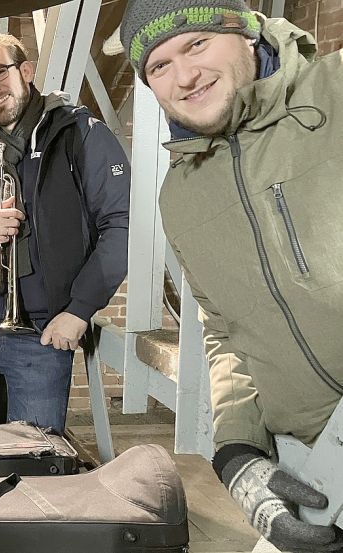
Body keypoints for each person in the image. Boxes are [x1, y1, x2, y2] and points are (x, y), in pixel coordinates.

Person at [121, 2, 343, 550]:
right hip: (320, 469)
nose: (185, 76)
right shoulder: (183, 195)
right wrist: (239, 453)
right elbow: (224, 331)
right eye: (160, 66)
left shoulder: (337, 92)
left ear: (245, 33)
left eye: (196, 44)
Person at [0, 34, 130, 433]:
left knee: (35, 459)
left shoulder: (81, 133)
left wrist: (79, 310)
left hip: (44, 328)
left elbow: (120, 226)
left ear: (25, 72)